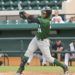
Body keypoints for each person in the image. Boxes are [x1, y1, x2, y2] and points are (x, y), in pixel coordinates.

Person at [16, 7, 69, 75]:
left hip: (43, 41)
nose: (42, 14)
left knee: (49, 59)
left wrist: (25, 14)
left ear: (47, 14)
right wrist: (26, 17)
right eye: (42, 12)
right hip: (36, 38)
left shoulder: (46, 21)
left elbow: (34, 19)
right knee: (28, 52)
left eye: (44, 13)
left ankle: (64, 66)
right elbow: (31, 20)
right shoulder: (43, 18)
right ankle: (20, 69)